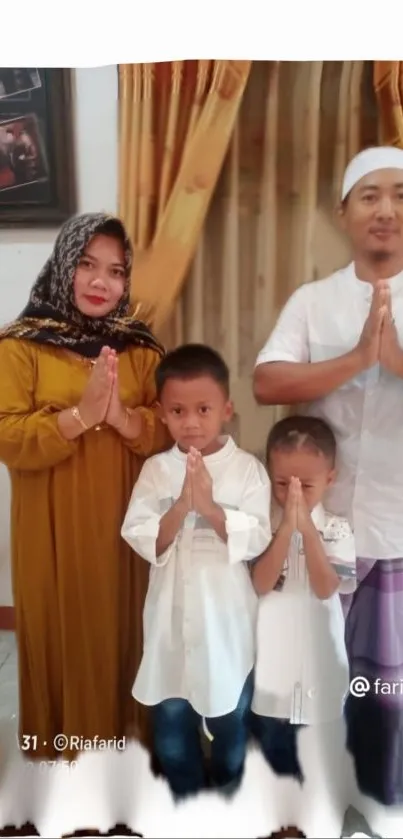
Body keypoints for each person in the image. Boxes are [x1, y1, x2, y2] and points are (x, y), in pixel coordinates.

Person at [253, 145, 403, 806]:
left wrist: (392, 359)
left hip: (398, 524)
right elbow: (265, 381)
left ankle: (378, 799)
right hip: (317, 524)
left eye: (399, 195)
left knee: (386, 683)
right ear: (342, 211)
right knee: (310, 675)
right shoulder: (313, 301)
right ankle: (308, 795)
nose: (386, 210)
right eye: (369, 195)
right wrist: (354, 358)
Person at [0, 212, 168, 760]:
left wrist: (121, 417)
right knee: (57, 634)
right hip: (48, 529)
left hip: (125, 531)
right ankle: (60, 769)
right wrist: (79, 415)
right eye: (86, 264)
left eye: (116, 271)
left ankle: (123, 768)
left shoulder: (141, 351)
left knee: (123, 636)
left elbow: (169, 431)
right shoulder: (18, 347)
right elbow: (7, 435)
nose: (101, 282)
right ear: (62, 265)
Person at [121, 343, 272, 800]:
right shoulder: (155, 470)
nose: (191, 422)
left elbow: (258, 538)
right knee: (170, 725)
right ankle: (184, 798)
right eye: (178, 411)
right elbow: (141, 536)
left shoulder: (248, 471)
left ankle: (227, 789)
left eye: (203, 409)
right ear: (162, 415)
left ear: (226, 409)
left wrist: (207, 506)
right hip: (169, 628)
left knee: (231, 720)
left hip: (227, 632)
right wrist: (182, 504)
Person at [250, 415, 355, 783]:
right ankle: (282, 818)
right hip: (273, 670)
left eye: (305, 485)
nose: (292, 493)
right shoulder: (262, 525)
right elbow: (261, 582)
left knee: (321, 760)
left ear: (330, 478)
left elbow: (328, 587)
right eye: (282, 484)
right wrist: (286, 529)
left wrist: (307, 529)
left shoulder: (339, 529)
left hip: (320, 669)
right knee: (275, 754)